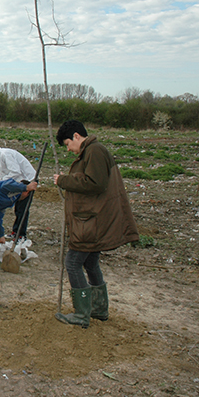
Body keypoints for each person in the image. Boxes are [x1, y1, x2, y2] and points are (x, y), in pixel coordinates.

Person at [53, 120, 139, 328]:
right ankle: (99, 309)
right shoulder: (93, 151)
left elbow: (95, 183)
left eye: (67, 144)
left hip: (92, 222)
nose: (68, 149)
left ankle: (82, 314)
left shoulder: (94, 151)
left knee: (73, 263)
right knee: (90, 263)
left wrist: (63, 180)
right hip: (94, 218)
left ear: (76, 136)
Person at [0, 141, 36, 243]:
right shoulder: (0, 157)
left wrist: (3, 183)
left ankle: (21, 235)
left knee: (22, 209)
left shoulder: (6, 154)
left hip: (27, 181)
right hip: (19, 182)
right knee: (18, 208)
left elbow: (15, 172)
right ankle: (16, 232)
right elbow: (3, 175)